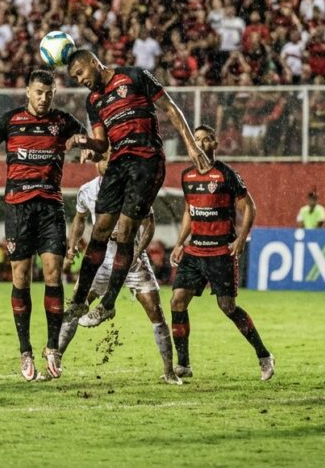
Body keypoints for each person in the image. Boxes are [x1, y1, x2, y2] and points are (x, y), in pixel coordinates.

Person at [0, 69, 86, 381]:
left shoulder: (62, 121)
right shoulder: (9, 120)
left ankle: (52, 347)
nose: (44, 98)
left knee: (52, 273)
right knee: (21, 278)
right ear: (27, 92)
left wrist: (85, 143)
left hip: (50, 206)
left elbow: (96, 142)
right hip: (18, 209)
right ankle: (25, 351)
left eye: (49, 93)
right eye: (39, 92)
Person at [64, 49, 211, 330]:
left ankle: (107, 304)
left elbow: (169, 107)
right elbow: (102, 144)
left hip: (147, 159)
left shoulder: (134, 76)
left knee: (126, 234)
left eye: (81, 73)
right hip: (118, 163)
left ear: (95, 63)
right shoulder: (93, 100)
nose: (80, 79)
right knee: (100, 231)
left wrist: (191, 144)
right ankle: (80, 300)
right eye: (75, 77)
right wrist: (84, 142)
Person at [59, 154, 180, 384]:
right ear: (97, 163)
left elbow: (149, 225)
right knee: (76, 304)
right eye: (103, 159)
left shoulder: (133, 187)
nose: (106, 163)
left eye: (110, 159)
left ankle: (169, 371)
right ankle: (55, 360)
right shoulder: (87, 190)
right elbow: (79, 218)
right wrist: (72, 246)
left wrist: (137, 252)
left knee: (156, 312)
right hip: (101, 261)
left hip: (132, 261)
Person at [169, 125, 274, 381]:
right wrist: (180, 242)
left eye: (206, 140)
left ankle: (264, 355)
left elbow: (250, 207)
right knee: (177, 301)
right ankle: (183, 364)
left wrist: (241, 238)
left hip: (219, 252)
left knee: (227, 307)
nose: (200, 144)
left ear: (214, 144)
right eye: (196, 140)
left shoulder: (226, 174)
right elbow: (188, 211)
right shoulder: (187, 176)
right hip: (194, 251)